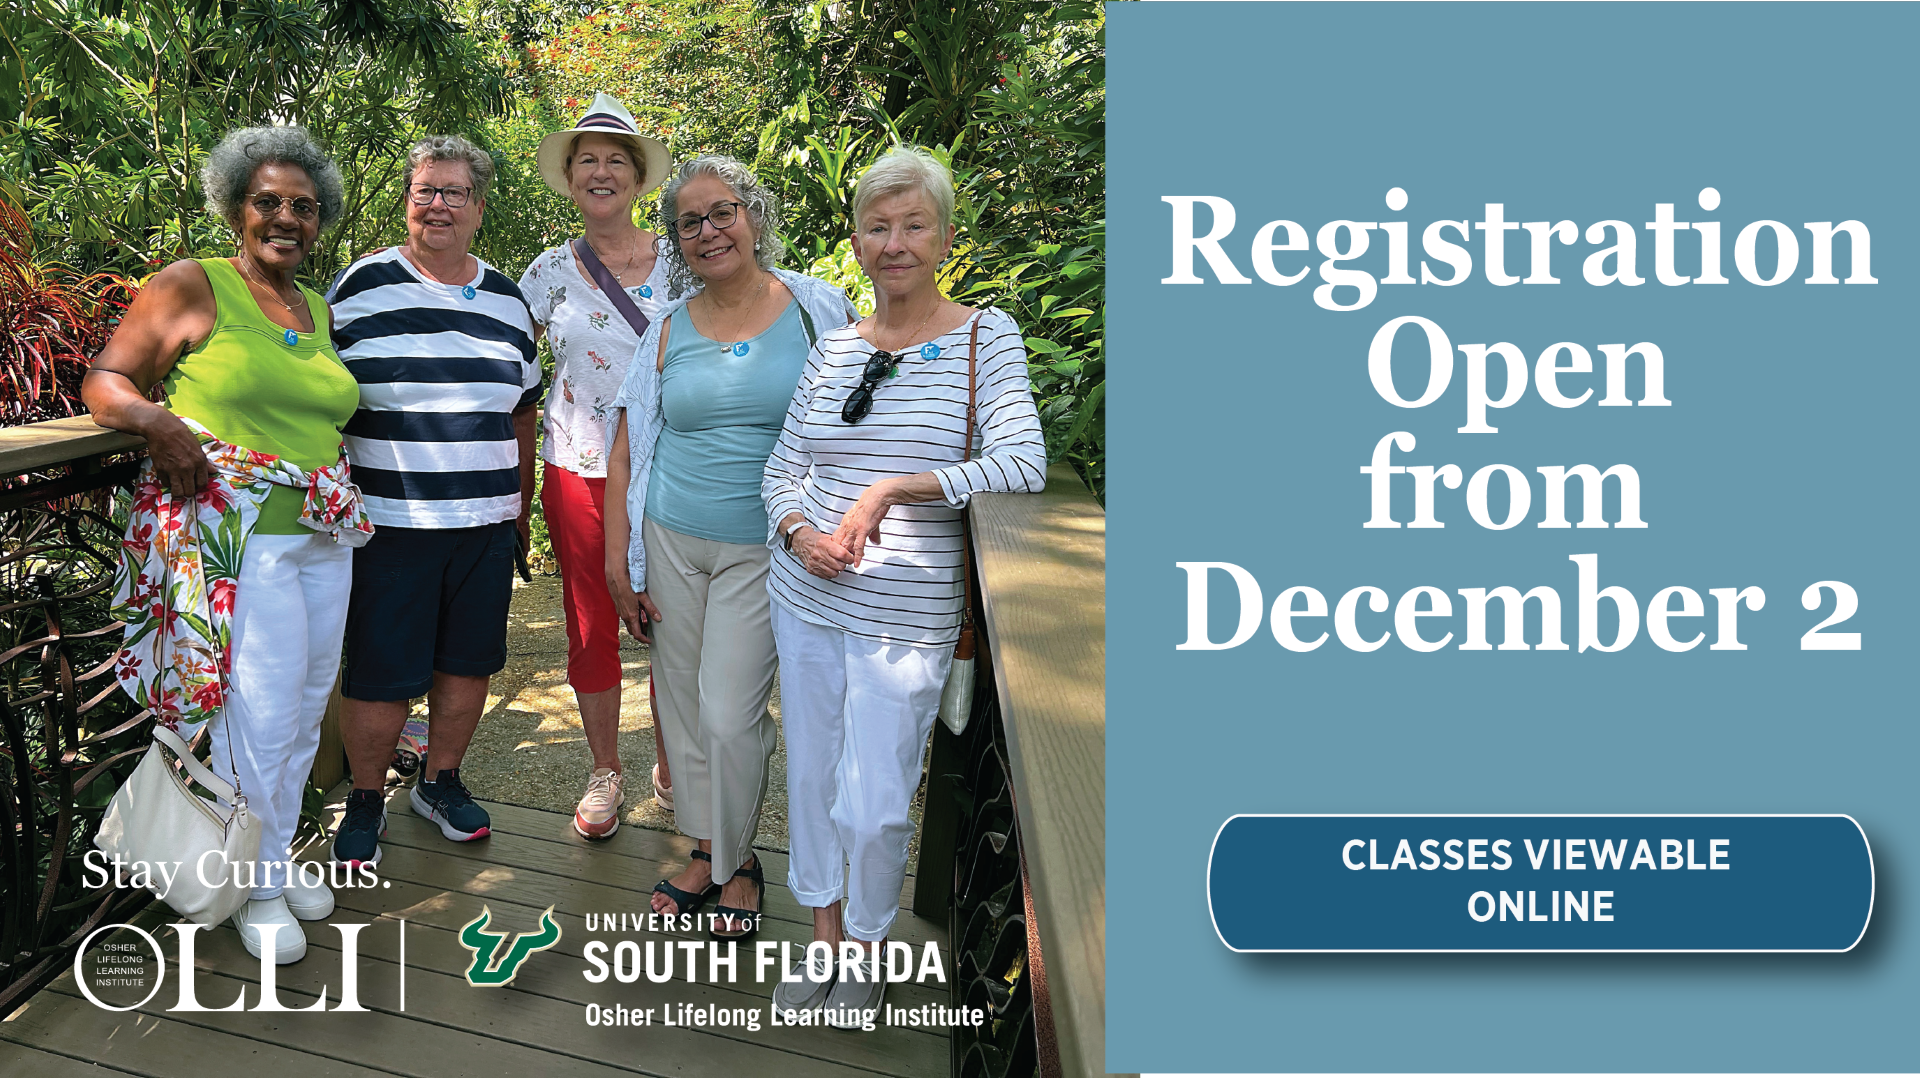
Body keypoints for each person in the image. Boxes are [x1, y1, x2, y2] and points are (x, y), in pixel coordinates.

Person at [762, 147, 1046, 1023]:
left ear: (944, 238)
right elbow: (782, 469)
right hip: (806, 594)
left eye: (913, 225)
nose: (895, 243)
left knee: (878, 802)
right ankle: (824, 938)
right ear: (856, 241)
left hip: (905, 612)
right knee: (810, 779)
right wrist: (801, 531)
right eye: (878, 227)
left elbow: (1023, 461)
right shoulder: (835, 346)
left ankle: (870, 946)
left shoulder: (981, 337)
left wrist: (894, 488)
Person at [85, 126, 370, 964]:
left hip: (323, 535)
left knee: (307, 707)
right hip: (244, 543)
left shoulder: (313, 308)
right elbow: (106, 380)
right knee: (261, 716)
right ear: (236, 205)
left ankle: (274, 859)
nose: (287, 218)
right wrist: (154, 422)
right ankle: (258, 889)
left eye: (305, 208)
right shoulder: (194, 285)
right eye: (268, 202)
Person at [606, 154, 857, 939]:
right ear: (677, 241)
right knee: (681, 707)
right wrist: (618, 562)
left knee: (727, 710)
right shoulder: (668, 325)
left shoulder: (818, 308)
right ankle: (712, 851)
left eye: (723, 212)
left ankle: (740, 857)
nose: (708, 231)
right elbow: (627, 445)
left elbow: (863, 421)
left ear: (753, 216)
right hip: (672, 538)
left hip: (768, 545)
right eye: (690, 222)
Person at [327, 134, 540, 867]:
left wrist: (521, 507)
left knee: (468, 664)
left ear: (479, 207)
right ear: (408, 201)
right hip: (390, 522)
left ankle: (440, 782)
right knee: (381, 670)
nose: (439, 204)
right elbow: (321, 394)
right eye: (426, 191)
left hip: (483, 523)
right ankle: (363, 798)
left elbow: (522, 410)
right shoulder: (358, 287)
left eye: (454, 192)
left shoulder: (510, 301)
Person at [519, 94, 676, 839]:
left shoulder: (687, 253)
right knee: (591, 616)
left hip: (675, 462)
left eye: (617, 158)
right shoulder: (547, 271)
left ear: (639, 177)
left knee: (679, 610)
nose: (602, 170)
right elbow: (507, 367)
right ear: (571, 176)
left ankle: (677, 761)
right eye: (589, 159)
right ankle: (606, 769)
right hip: (578, 462)